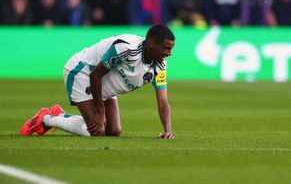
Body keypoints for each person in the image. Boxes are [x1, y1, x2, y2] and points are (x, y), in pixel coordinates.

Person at [20, 24, 175, 139]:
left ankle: (61, 114)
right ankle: (47, 119)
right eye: (166, 48)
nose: (169, 53)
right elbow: (95, 75)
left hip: (104, 84)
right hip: (82, 71)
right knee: (97, 132)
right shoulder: (126, 48)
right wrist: (100, 112)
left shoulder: (160, 65)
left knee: (113, 131)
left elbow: (163, 102)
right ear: (152, 43)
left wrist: (167, 131)